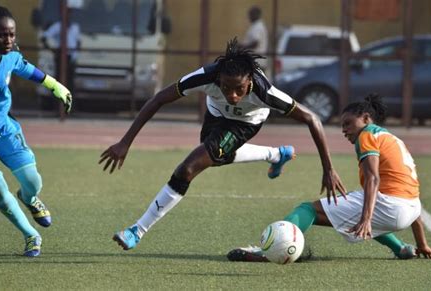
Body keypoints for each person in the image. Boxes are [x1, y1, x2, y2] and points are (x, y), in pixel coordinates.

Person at [99, 37, 346, 251]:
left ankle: (137, 230)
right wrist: (125, 142)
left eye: (239, 89)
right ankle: (275, 154)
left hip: (246, 123)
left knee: (188, 169)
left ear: (250, 80)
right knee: (214, 155)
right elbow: (159, 99)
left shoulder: (265, 92)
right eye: (226, 87)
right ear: (218, 78)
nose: (233, 95)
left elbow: (312, 119)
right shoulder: (207, 76)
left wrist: (328, 168)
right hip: (215, 115)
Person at [227, 94, 431, 261]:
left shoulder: (366, 136)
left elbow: (373, 178)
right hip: (411, 209)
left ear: (365, 118)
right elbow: (409, 192)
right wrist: (421, 243)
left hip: (391, 206)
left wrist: (365, 218)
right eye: (342, 126)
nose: (344, 130)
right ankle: (401, 249)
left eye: (347, 123)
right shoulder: (392, 138)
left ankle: (269, 250)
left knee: (307, 209)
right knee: (365, 214)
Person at [0, 6, 72, 257]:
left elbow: (26, 68)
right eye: (2, 35)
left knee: (33, 182)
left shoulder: (10, 55)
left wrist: (55, 85)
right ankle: (31, 236)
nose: (9, 40)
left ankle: (29, 197)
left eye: (12, 35)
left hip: (2, 126)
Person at [40, 9, 81, 93]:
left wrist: (75, 55)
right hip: (61, 57)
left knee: (70, 83)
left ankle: (69, 104)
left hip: (71, 58)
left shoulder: (75, 27)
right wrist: (53, 51)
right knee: (59, 82)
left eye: (69, 14)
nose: (68, 16)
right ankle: (57, 104)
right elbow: (43, 38)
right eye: (66, 14)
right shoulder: (58, 26)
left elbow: (78, 42)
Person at [242, 6, 268, 72]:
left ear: (256, 15)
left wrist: (242, 47)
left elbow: (255, 43)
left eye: (251, 14)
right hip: (257, 61)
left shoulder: (257, 26)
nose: (249, 17)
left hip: (256, 61)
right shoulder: (257, 25)